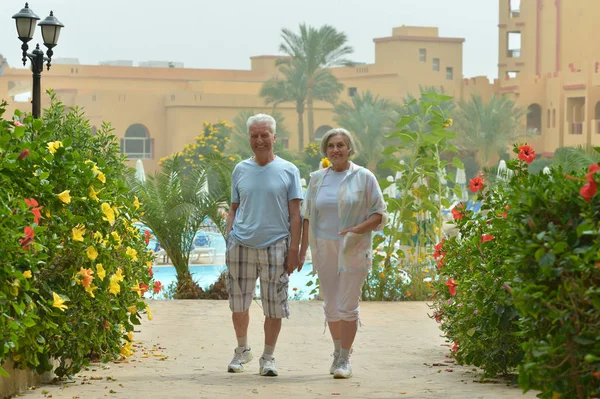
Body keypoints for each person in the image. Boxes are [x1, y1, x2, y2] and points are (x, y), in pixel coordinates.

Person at [299, 128, 387, 379]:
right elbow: (307, 216)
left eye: (341, 145)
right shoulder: (317, 179)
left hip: (353, 247)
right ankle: (337, 352)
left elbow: (379, 213)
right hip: (324, 248)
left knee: (348, 305)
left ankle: (345, 359)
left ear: (350, 148)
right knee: (330, 305)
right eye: (331, 146)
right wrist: (302, 250)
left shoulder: (364, 177)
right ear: (325, 151)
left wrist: (357, 229)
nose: (336, 150)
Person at [225, 114, 303, 377]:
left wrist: (294, 251)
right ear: (249, 138)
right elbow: (234, 208)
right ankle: (242, 349)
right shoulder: (240, 169)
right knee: (238, 304)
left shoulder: (289, 170)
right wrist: (229, 237)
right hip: (241, 245)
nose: (259, 140)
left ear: (274, 137)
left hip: (276, 246)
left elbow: (296, 215)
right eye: (254, 136)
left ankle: (268, 357)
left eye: (264, 135)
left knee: (274, 306)